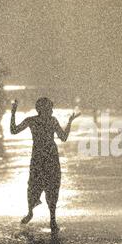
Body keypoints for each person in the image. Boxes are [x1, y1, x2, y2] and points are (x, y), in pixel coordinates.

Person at [10, 98, 80, 231]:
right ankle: (34, 213)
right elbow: (64, 137)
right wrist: (13, 113)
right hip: (46, 157)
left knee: (46, 185)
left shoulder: (35, 120)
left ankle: (50, 218)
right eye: (50, 108)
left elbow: (13, 130)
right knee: (41, 185)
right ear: (43, 109)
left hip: (42, 157)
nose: (52, 110)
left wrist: (70, 122)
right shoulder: (44, 120)